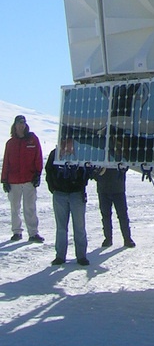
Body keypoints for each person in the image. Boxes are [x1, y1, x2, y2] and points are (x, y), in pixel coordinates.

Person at [45, 136, 90, 266]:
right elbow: (48, 170)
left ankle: (81, 256)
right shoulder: (55, 153)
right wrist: (53, 188)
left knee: (79, 226)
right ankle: (60, 256)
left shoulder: (81, 153)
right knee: (61, 227)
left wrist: (81, 184)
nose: (66, 141)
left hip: (76, 194)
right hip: (60, 194)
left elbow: (87, 171)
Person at [1, 114, 44, 243]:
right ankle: (16, 232)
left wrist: (37, 174)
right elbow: (6, 162)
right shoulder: (10, 143)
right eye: (19, 123)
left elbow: (38, 157)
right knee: (15, 207)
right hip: (14, 181)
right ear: (15, 125)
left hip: (28, 180)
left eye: (23, 123)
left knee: (30, 207)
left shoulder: (32, 140)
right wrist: (4, 180)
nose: (21, 125)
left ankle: (33, 233)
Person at [95, 167, 135, 248]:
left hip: (118, 188)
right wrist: (97, 173)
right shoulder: (100, 156)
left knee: (122, 215)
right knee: (105, 215)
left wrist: (122, 169)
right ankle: (108, 238)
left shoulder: (120, 154)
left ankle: (127, 238)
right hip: (103, 189)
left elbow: (126, 165)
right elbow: (93, 171)